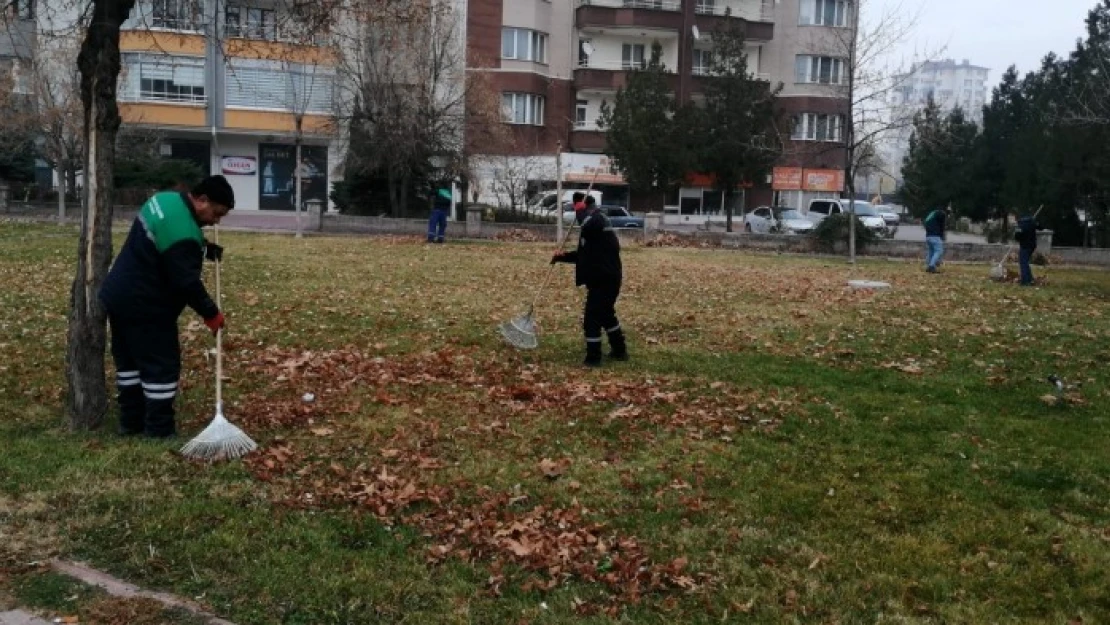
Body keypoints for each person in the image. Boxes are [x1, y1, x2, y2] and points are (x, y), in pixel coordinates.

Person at [98, 176, 234, 438]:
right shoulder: (184, 234)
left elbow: (164, 242)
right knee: (160, 365)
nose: (216, 221)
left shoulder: (164, 200)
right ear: (202, 200)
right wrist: (211, 313)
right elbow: (186, 282)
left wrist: (204, 248)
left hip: (118, 295)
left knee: (129, 363)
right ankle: (159, 430)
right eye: (216, 213)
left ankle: (131, 422)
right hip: (147, 305)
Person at [551, 195, 627, 367]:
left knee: (592, 317)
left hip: (606, 278)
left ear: (587, 208)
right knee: (606, 315)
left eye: (581, 210)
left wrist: (579, 209)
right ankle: (620, 351)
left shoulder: (598, 219)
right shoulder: (592, 232)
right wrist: (562, 257)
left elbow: (587, 223)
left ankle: (593, 358)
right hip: (602, 277)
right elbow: (585, 255)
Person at [1015, 213, 1039, 285]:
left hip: (1025, 246)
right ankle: (1030, 279)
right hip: (1032, 246)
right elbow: (1040, 227)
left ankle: (1025, 281)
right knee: (1026, 262)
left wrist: (1017, 237)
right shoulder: (1031, 223)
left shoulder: (1020, 226)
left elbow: (1017, 236)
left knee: (1023, 263)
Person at [923, 206, 947, 273]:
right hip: (935, 236)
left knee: (931, 251)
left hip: (928, 236)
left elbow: (925, 224)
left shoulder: (931, 214)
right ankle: (931, 266)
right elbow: (942, 225)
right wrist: (942, 235)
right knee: (939, 251)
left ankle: (928, 265)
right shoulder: (941, 214)